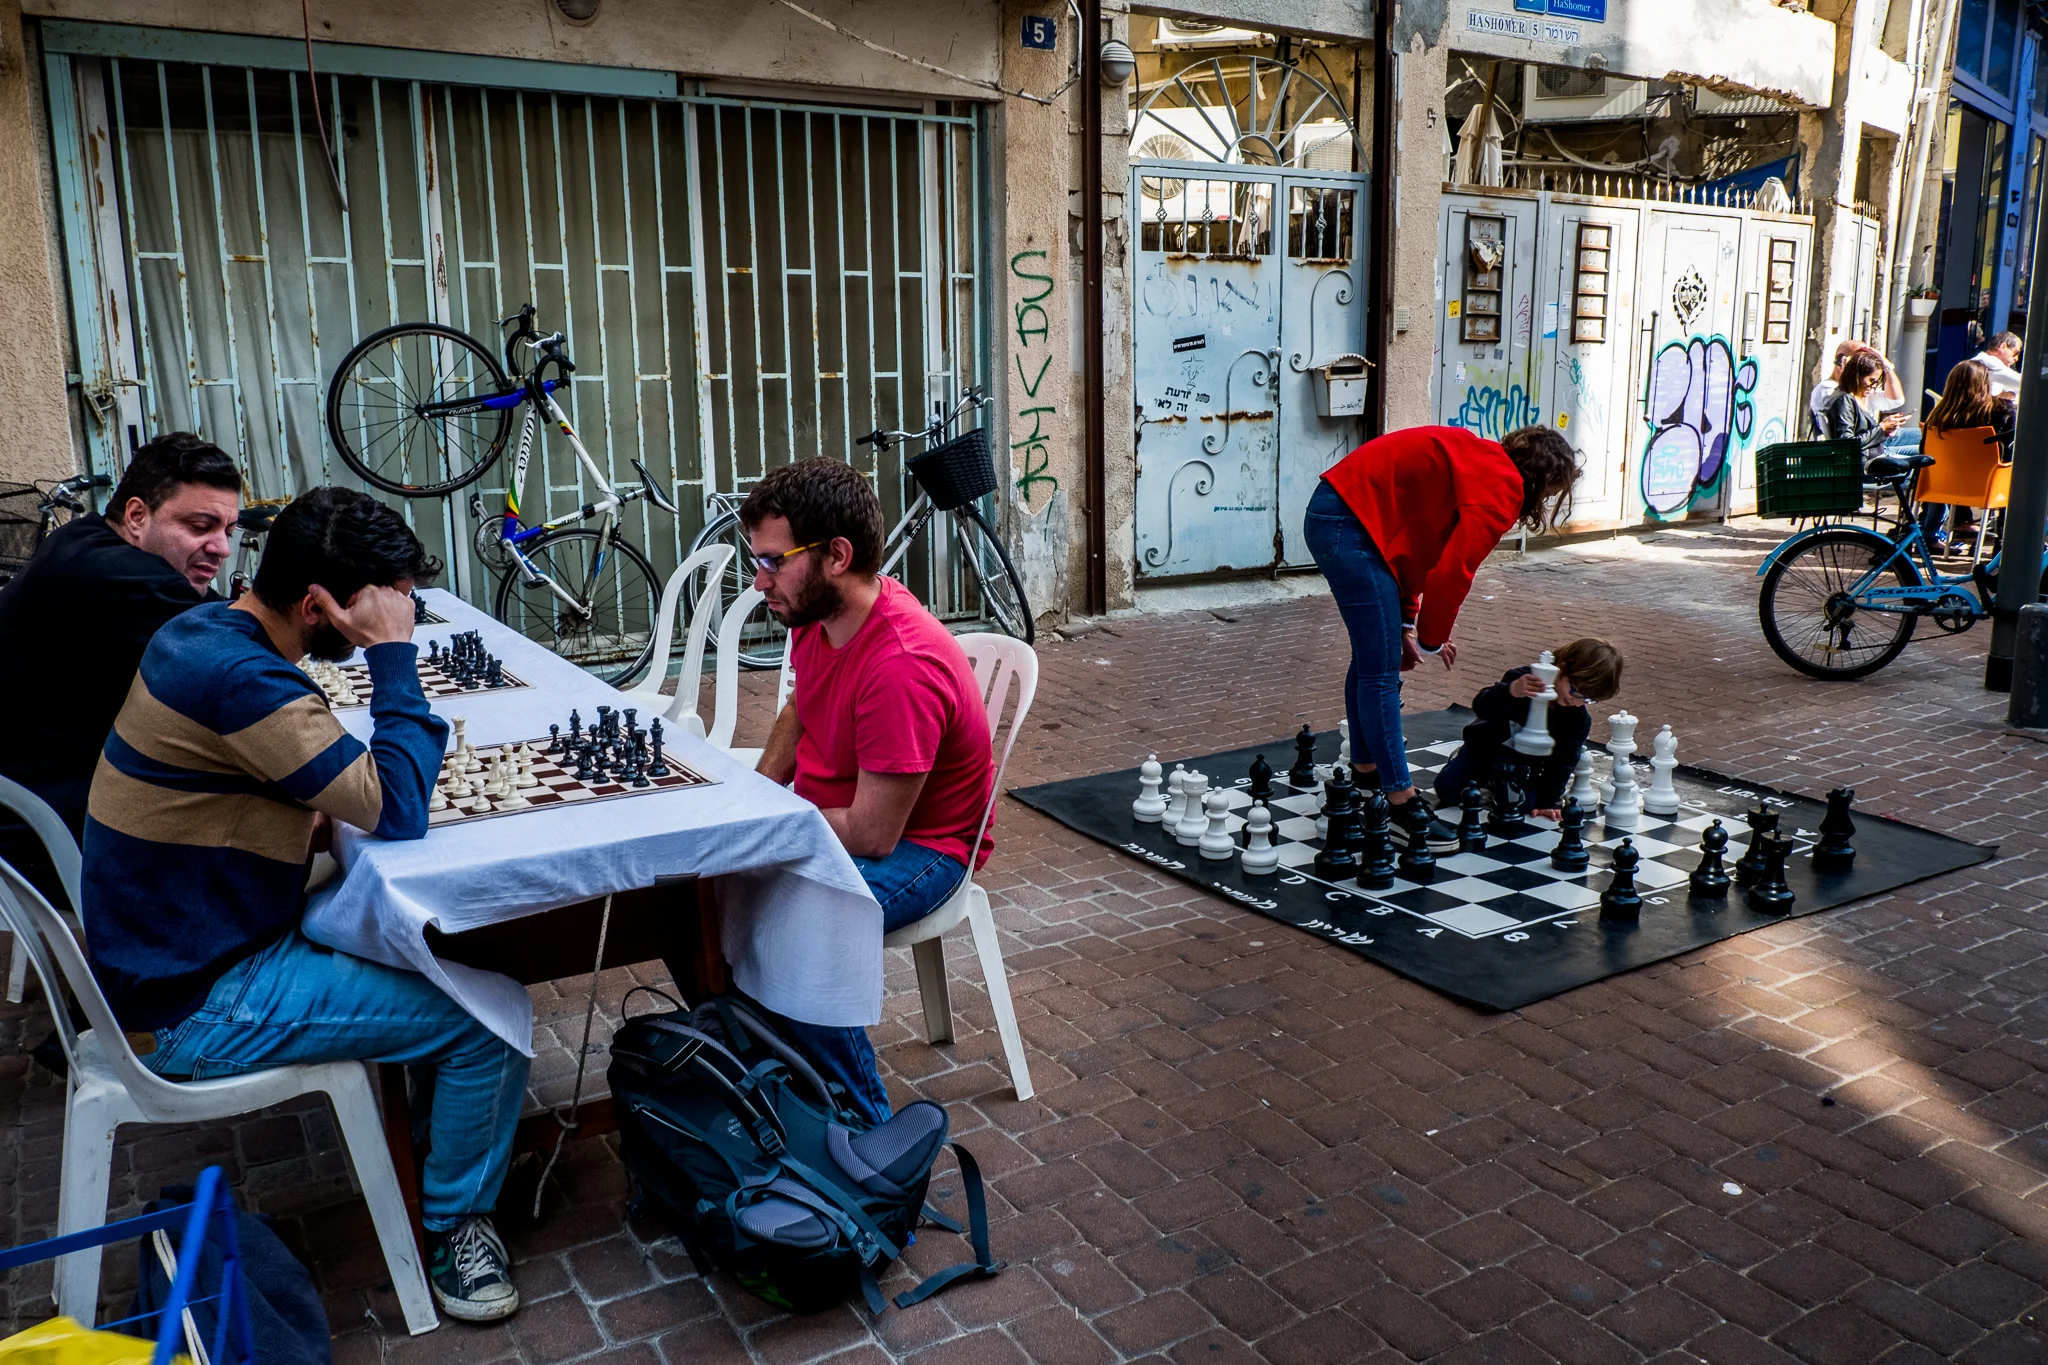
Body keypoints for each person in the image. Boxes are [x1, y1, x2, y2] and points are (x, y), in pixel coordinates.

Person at [81, 487, 528, 1324]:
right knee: (490, 1021)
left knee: (423, 938)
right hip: (193, 1000)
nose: (396, 617)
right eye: (382, 605)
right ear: (319, 605)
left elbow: (305, 790)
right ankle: (455, 1226)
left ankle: (439, 1136)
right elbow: (398, 805)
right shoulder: (240, 676)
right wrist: (392, 656)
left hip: (172, 944)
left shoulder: (204, 630)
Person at [744, 458, 993, 1124]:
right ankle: (768, 1076)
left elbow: (873, 834)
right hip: (846, 819)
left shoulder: (900, 664)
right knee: (709, 896)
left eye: (772, 562)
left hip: (926, 847)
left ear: (837, 556)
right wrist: (757, 795)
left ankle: (864, 1124)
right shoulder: (817, 617)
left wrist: (768, 825)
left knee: (804, 932)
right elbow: (799, 708)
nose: (759, 580)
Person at [1305, 424, 1580, 853]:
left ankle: (1365, 774)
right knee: (1380, 673)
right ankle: (1401, 803)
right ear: (1540, 479)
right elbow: (1452, 571)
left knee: (1371, 660)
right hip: (1349, 521)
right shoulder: (1502, 486)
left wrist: (1406, 624)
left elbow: (1414, 545)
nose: (1543, 503)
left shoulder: (1480, 463)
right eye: (1548, 494)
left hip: (1343, 514)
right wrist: (1432, 641)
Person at [0, 434, 239, 901]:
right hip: (45, 838)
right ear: (136, 516)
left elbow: (225, 623)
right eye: (200, 526)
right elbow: (249, 654)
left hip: (36, 804)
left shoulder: (83, 536)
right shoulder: (120, 576)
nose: (220, 548)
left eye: (227, 531)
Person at [1433, 639, 1625, 821]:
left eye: (1588, 699)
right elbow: (1482, 707)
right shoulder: (1522, 680)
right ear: (1563, 667)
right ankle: (1470, 767)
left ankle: (1497, 785)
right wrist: (1510, 691)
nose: (1577, 702)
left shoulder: (1577, 719)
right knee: (1447, 789)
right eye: (1576, 691)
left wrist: (1549, 801)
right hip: (1483, 751)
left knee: (1526, 805)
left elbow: (1563, 762)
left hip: (1524, 765)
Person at [1920, 360, 2018, 549]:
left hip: (1944, 485)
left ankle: (1929, 534)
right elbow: (2012, 448)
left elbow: (1925, 454)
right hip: (1988, 484)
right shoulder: (2001, 410)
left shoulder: (1938, 416)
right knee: (2016, 475)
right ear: (1985, 383)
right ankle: (2003, 542)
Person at [1807, 340, 1908, 438]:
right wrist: (1882, 427)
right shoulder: (1829, 389)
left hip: (1874, 439)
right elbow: (1847, 438)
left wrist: (1886, 365)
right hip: (1866, 442)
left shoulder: (1862, 389)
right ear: (1840, 360)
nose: (1866, 365)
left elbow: (1896, 401)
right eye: (1859, 360)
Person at [1820, 351, 1892, 457]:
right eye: (1871, 380)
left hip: (1874, 453)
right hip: (1867, 460)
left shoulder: (1849, 398)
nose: (1873, 386)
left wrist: (1885, 429)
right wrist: (1882, 428)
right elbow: (1847, 443)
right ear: (1857, 377)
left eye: (1876, 382)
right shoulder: (1843, 400)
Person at [1966, 330, 2023, 398]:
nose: (2016, 358)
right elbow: (2025, 382)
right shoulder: (1990, 363)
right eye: (2016, 353)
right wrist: (2013, 395)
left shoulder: (1981, 359)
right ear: (2003, 347)